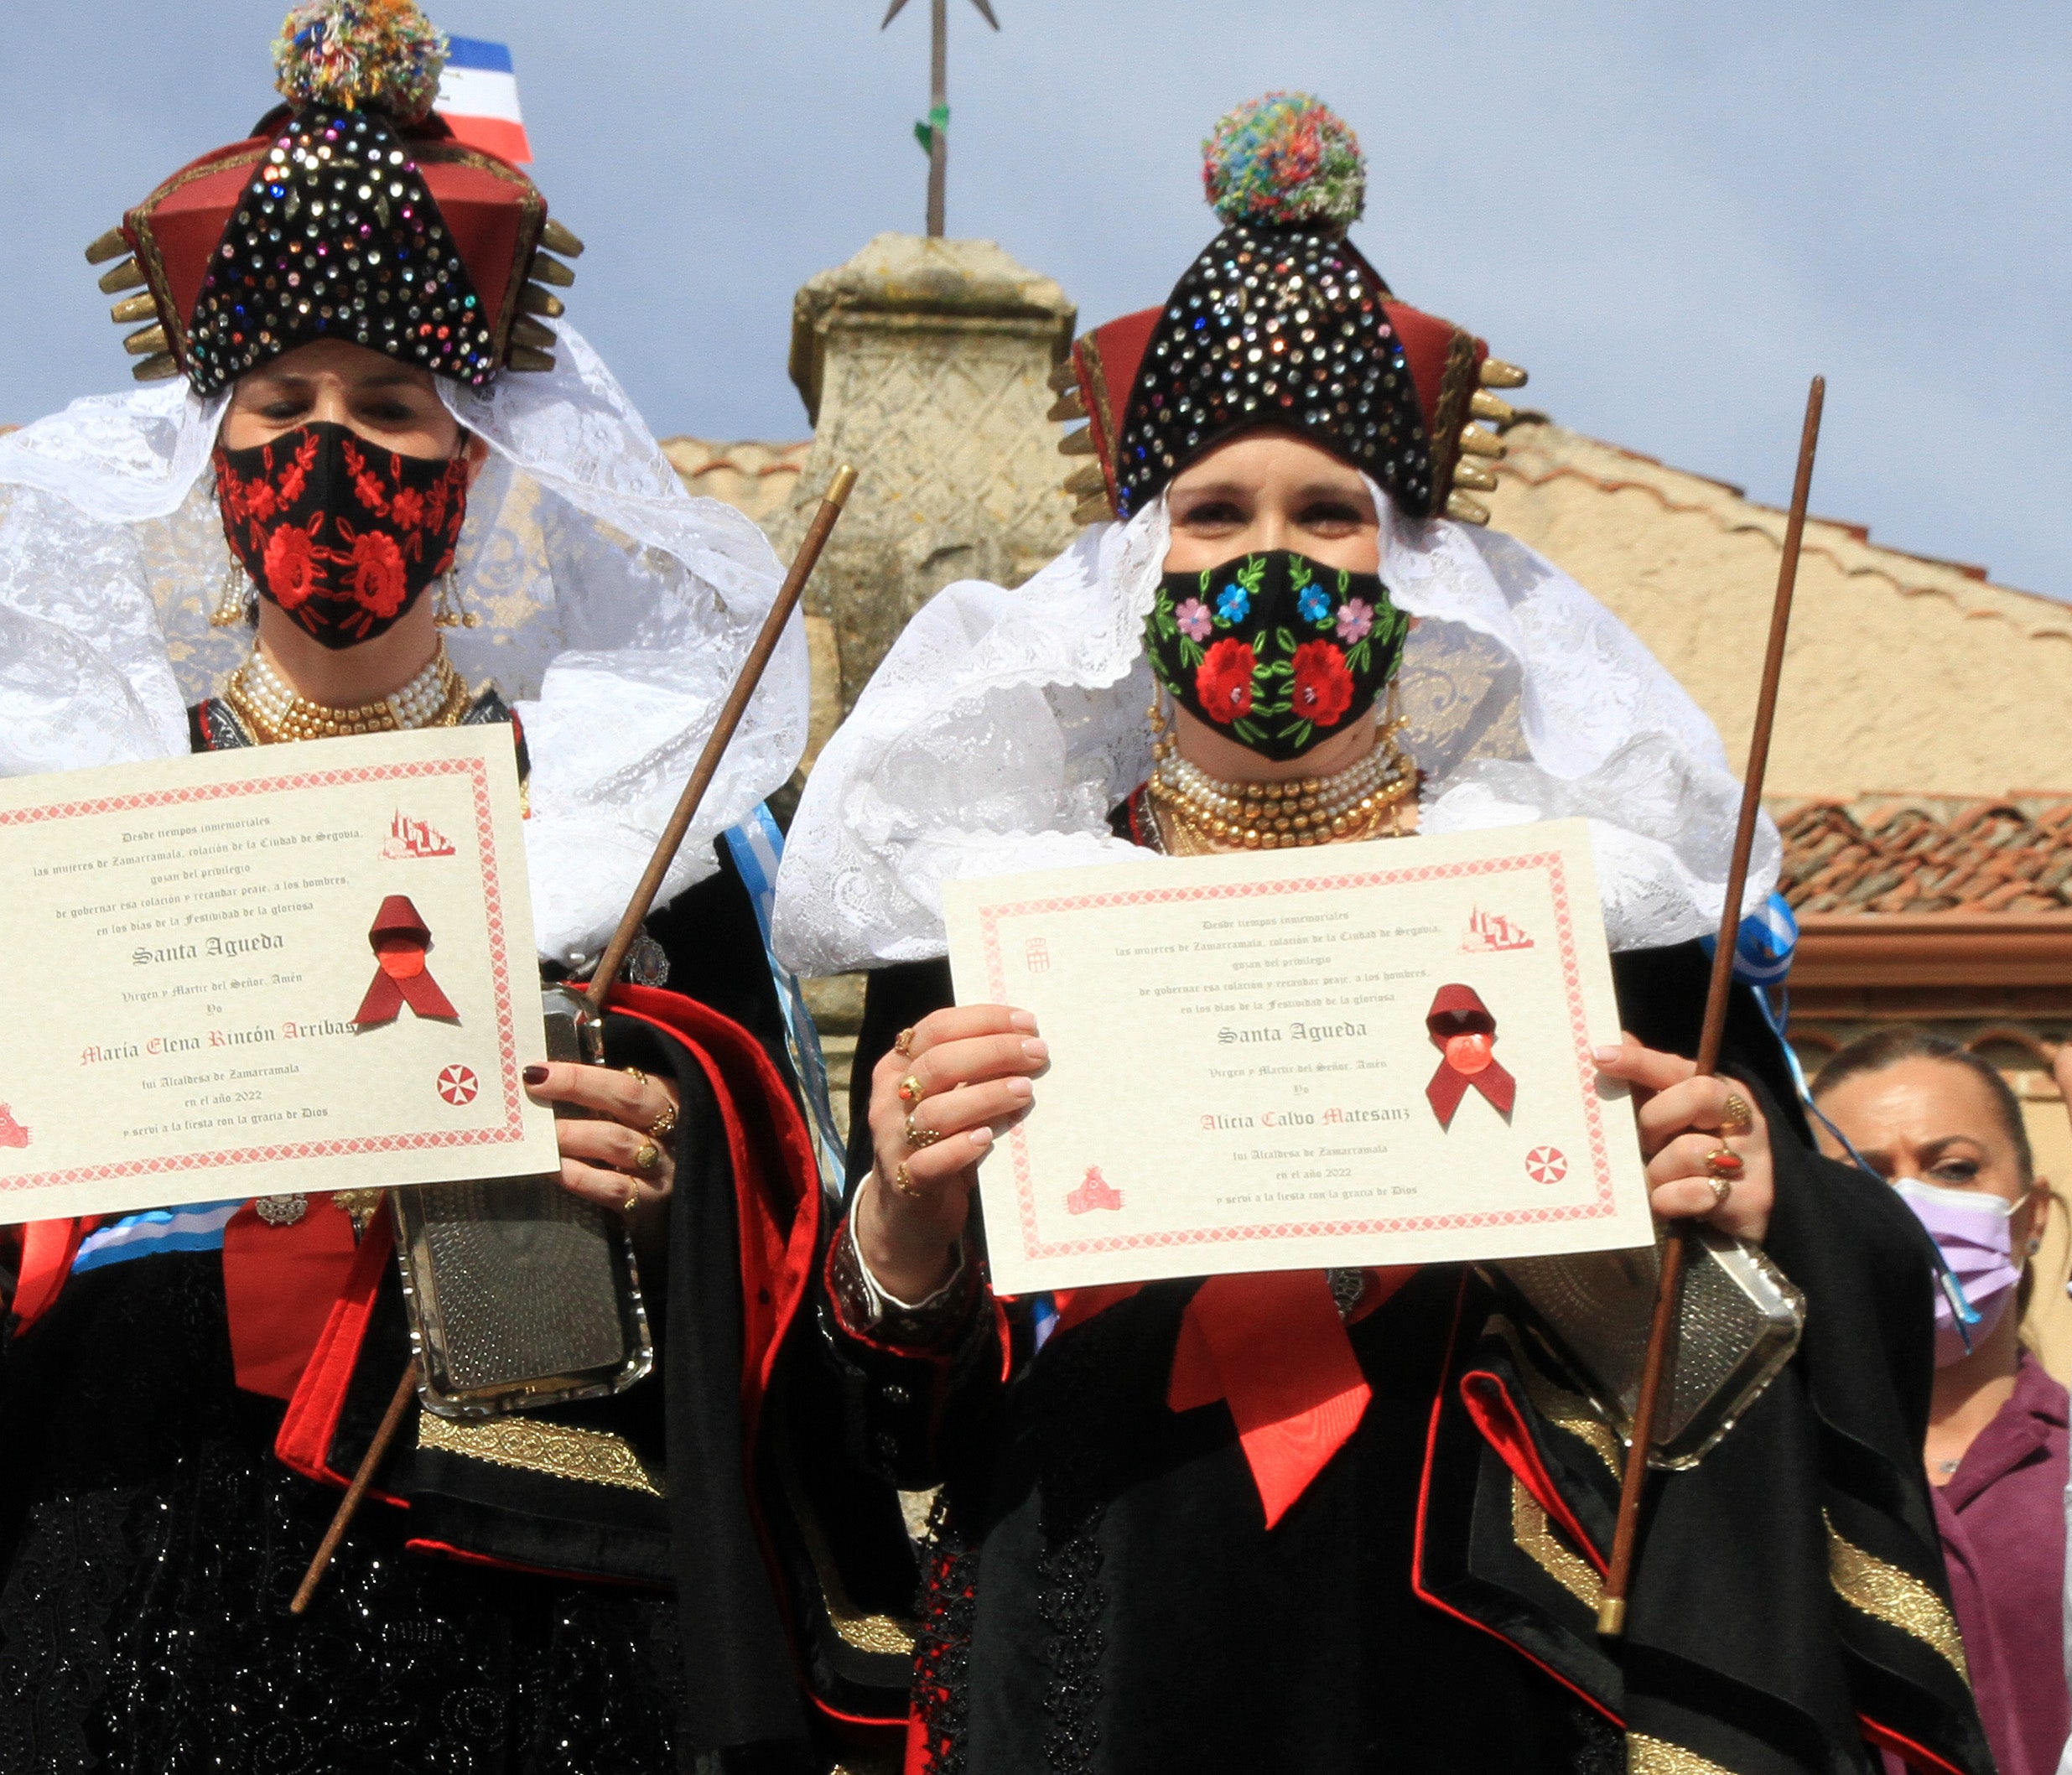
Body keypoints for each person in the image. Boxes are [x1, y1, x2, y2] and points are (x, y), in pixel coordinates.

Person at [771, 95, 1990, 1774]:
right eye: (1211, 514)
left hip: (1493, 1651)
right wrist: (900, 1231)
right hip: (1091, 1626)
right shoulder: (993, 924)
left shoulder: (1599, 919)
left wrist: (1745, 1212)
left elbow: (1768, 1346)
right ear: (1135, 565)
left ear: (1414, 562)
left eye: (1327, 512)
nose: (1268, 558)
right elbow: (885, 1414)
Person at [0, 5, 900, 1770]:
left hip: (518, 1554)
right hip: (104, 1525)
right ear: (205, 461)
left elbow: (780, 1229)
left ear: (479, 462)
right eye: (276, 404)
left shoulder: (629, 818)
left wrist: (655, 1164)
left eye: (391, 408)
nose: (330, 451)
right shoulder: (72, 806)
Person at [1810, 1030, 2065, 1775]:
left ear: (2033, 1210)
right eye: (1862, 1179)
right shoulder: (1766, 1484)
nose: (1909, 1207)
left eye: (1953, 1168)